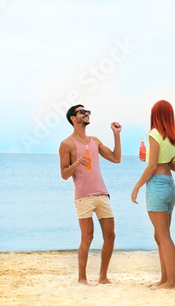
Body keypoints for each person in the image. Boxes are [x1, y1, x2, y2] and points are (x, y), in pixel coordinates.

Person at [59, 104, 122, 285]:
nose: (86, 114)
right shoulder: (67, 144)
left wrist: (116, 135)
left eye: (88, 112)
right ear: (73, 118)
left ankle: (103, 277)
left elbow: (116, 158)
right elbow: (64, 174)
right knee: (87, 237)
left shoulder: (95, 140)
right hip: (83, 196)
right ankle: (82, 278)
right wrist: (76, 164)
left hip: (102, 194)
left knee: (110, 235)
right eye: (82, 112)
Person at [131, 100, 175, 289]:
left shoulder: (154, 134)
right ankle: (165, 279)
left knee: (163, 235)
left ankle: (172, 282)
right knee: (160, 235)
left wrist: (137, 186)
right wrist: (165, 157)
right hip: (170, 185)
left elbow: (152, 166)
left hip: (157, 185)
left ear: (155, 115)